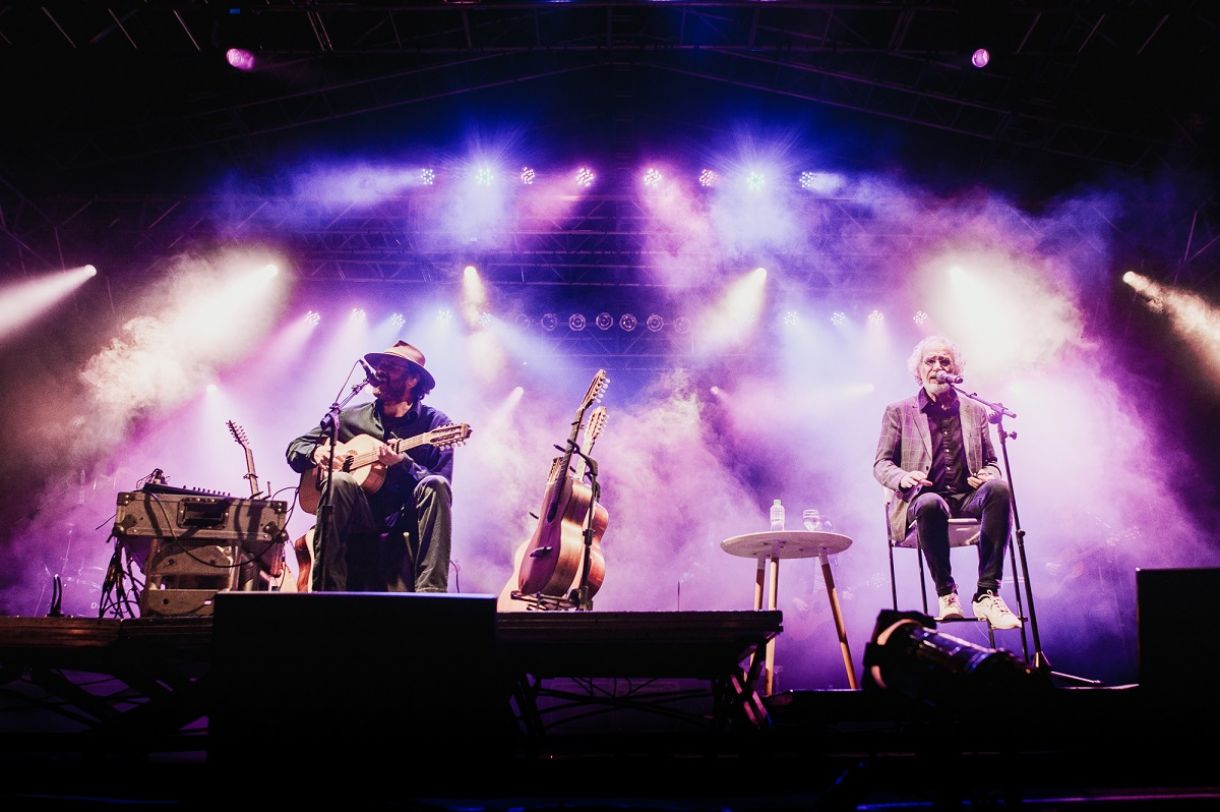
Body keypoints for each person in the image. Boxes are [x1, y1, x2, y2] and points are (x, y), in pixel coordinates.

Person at [873, 336, 1021, 629]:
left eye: (944, 361)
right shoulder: (898, 411)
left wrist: (990, 473)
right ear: (919, 371)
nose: (938, 367)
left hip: (968, 499)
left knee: (1000, 488)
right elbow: (881, 465)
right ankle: (947, 594)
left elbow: (992, 461)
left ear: (955, 370)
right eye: (931, 361)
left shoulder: (975, 410)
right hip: (923, 500)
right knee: (930, 503)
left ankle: (987, 594)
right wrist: (903, 477)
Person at [286, 340, 454, 593]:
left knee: (436, 485)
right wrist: (317, 452)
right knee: (339, 480)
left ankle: (431, 593)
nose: (380, 371)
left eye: (392, 367)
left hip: (404, 517)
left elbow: (442, 484)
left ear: (413, 381)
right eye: (380, 365)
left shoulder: (436, 424)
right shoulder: (349, 416)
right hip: (358, 513)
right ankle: (327, 592)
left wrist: (403, 463)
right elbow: (295, 447)